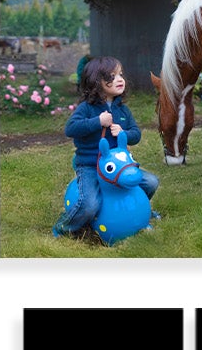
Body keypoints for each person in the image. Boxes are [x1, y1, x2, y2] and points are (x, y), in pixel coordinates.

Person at [53, 56, 157, 239]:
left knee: (150, 182)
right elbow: (71, 129)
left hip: (120, 167)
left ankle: (141, 211)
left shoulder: (123, 110)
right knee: (89, 204)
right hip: (91, 166)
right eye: (112, 75)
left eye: (121, 74)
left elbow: (136, 134)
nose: (120, 79)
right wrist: (97, 121)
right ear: (96, 81)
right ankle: (64, 226)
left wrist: (123, 133)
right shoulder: (86, 108)